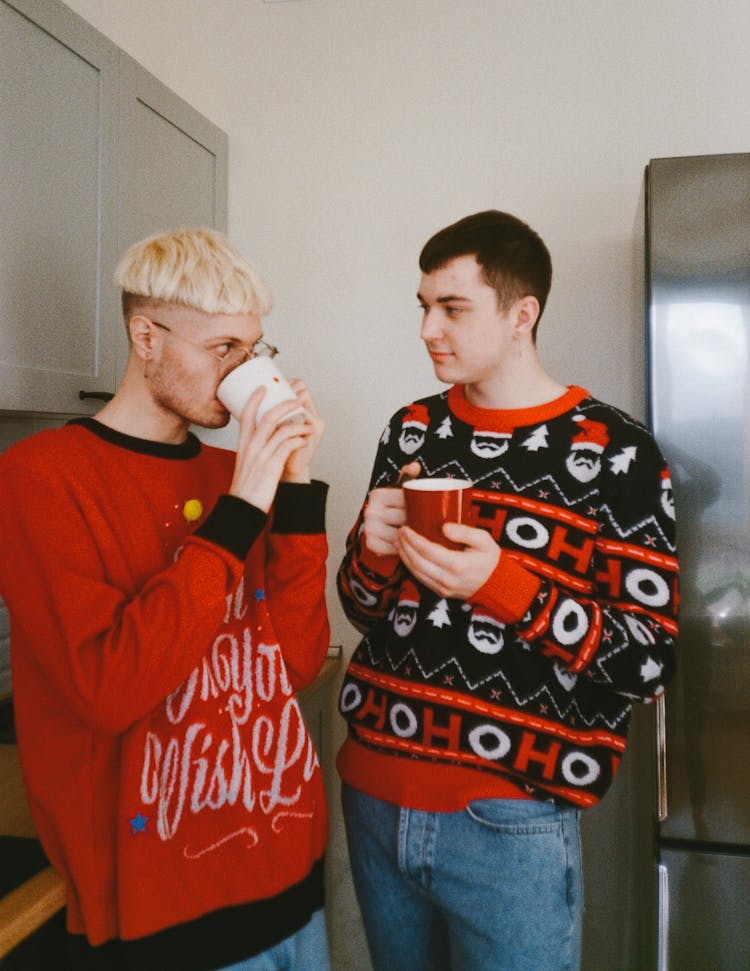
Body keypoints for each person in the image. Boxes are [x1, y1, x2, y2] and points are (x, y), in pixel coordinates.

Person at [336, 210, 679, 971]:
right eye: (422, 305)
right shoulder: (412, 430)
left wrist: (505, 585)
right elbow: (363, 608)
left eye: (452, 308)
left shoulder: (615, 449)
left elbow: (649, 662)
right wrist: (372, 549)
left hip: (510, 820)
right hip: (373, 792)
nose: (428, 327)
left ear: (522, 314)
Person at [0, 228, 332, 971]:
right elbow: (110, 687)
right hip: (165, 909)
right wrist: (243, 508)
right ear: (145, 336)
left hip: (287, 866)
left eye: (254, 350)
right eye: (223, 349)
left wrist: (298, 491)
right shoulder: (39, 477)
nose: (243, 370)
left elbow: (298, 663)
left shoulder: (233, 472)